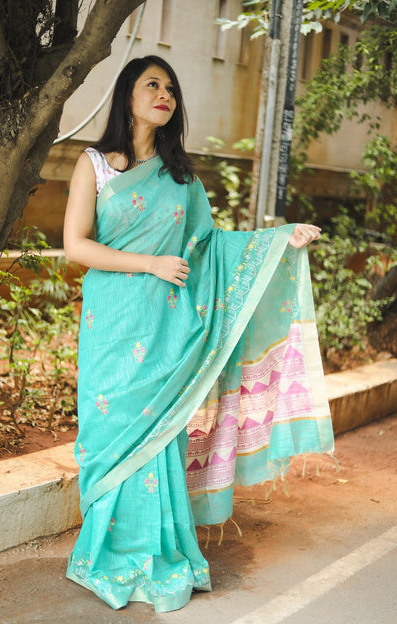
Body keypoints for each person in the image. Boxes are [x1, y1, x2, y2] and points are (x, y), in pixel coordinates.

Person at [63, 55, 334, 613]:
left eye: (171, 88)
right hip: (113, 323)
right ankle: (106, 553)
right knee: (110, 431)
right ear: (128, 95)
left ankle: (157, 550)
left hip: (167, 328)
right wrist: (149, 263)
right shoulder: (96, 163)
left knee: (160, 437)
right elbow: (76, 246)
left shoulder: (181, 176)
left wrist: (279, 239)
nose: (164, 94)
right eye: (152, 85)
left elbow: (208, 249)